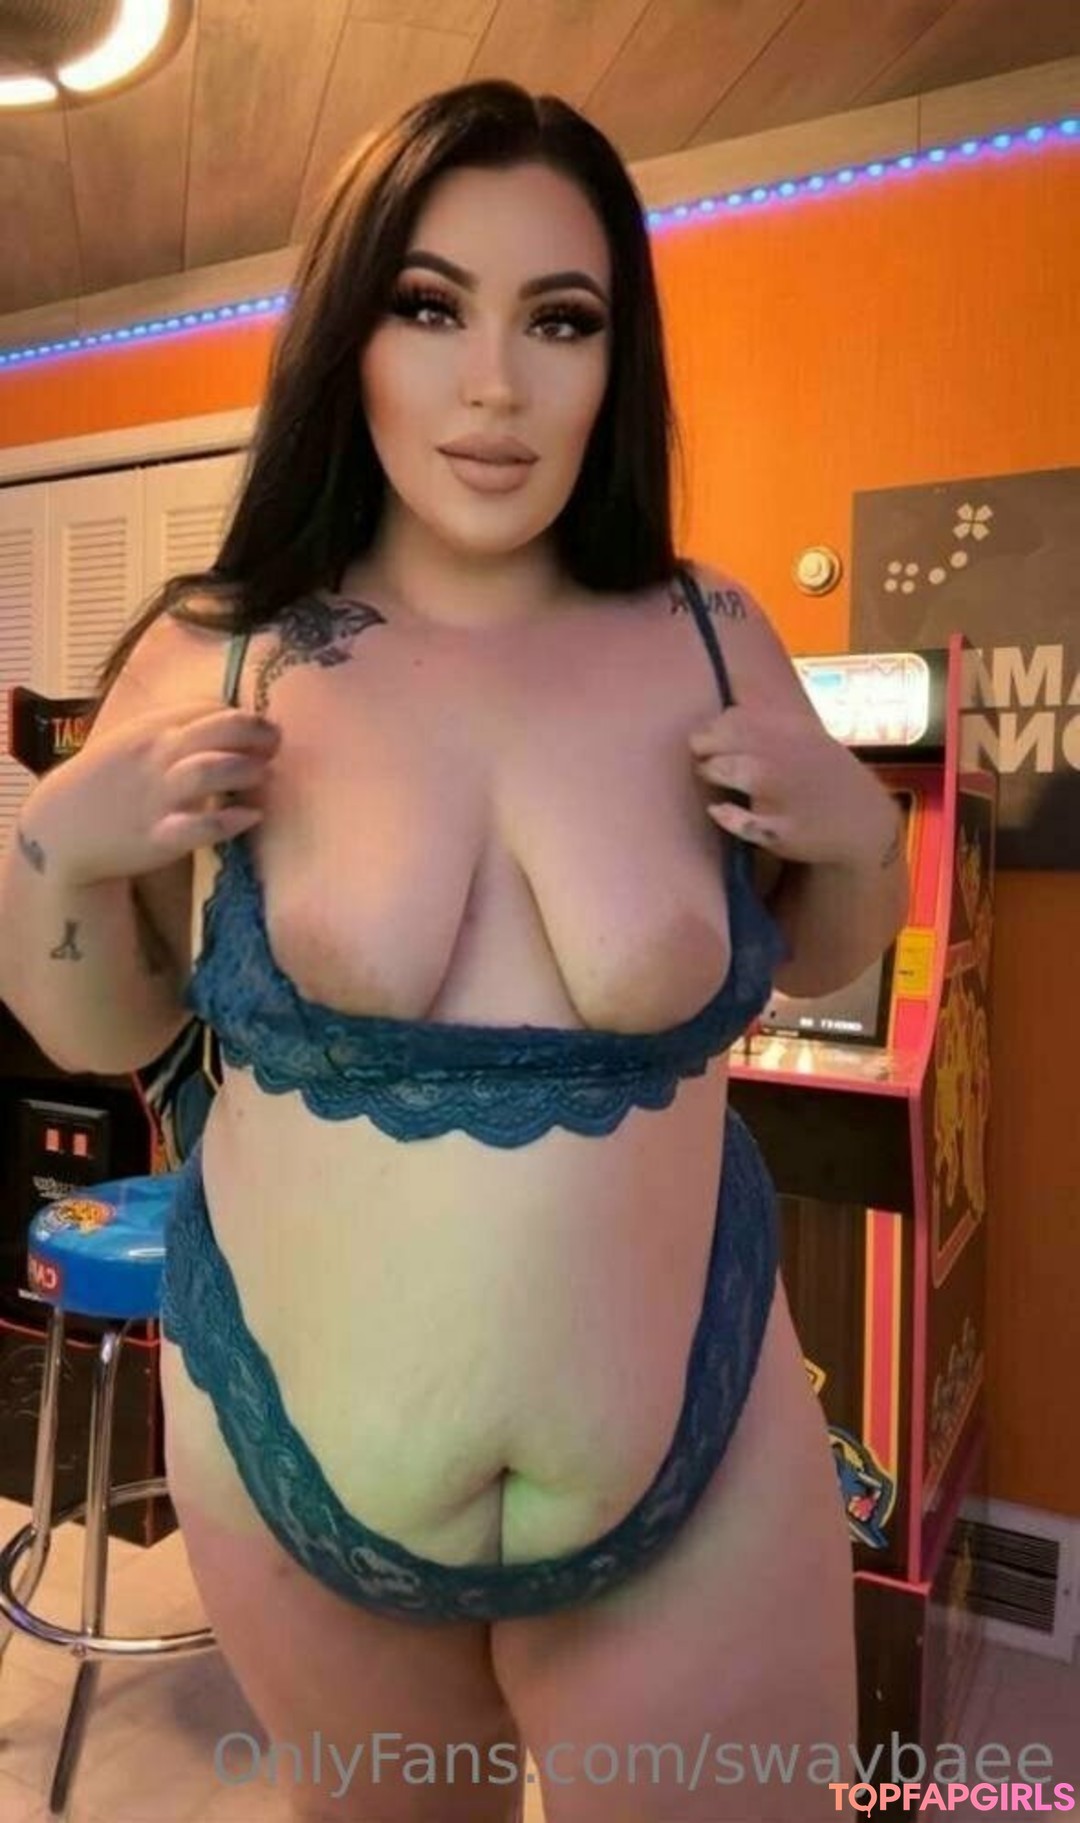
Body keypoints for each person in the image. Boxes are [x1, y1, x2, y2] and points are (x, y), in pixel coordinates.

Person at [0, 80, 908, 1823]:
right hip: (291, 1460)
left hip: (696, 1464)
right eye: (430, 308)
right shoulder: (224, 649)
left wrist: (861, 838)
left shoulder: (711, 633)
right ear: (347, 336)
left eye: (559, 320)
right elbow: (103, 1024)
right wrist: (59, 844)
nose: (495, 384)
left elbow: (814, 959)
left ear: (617, 358)